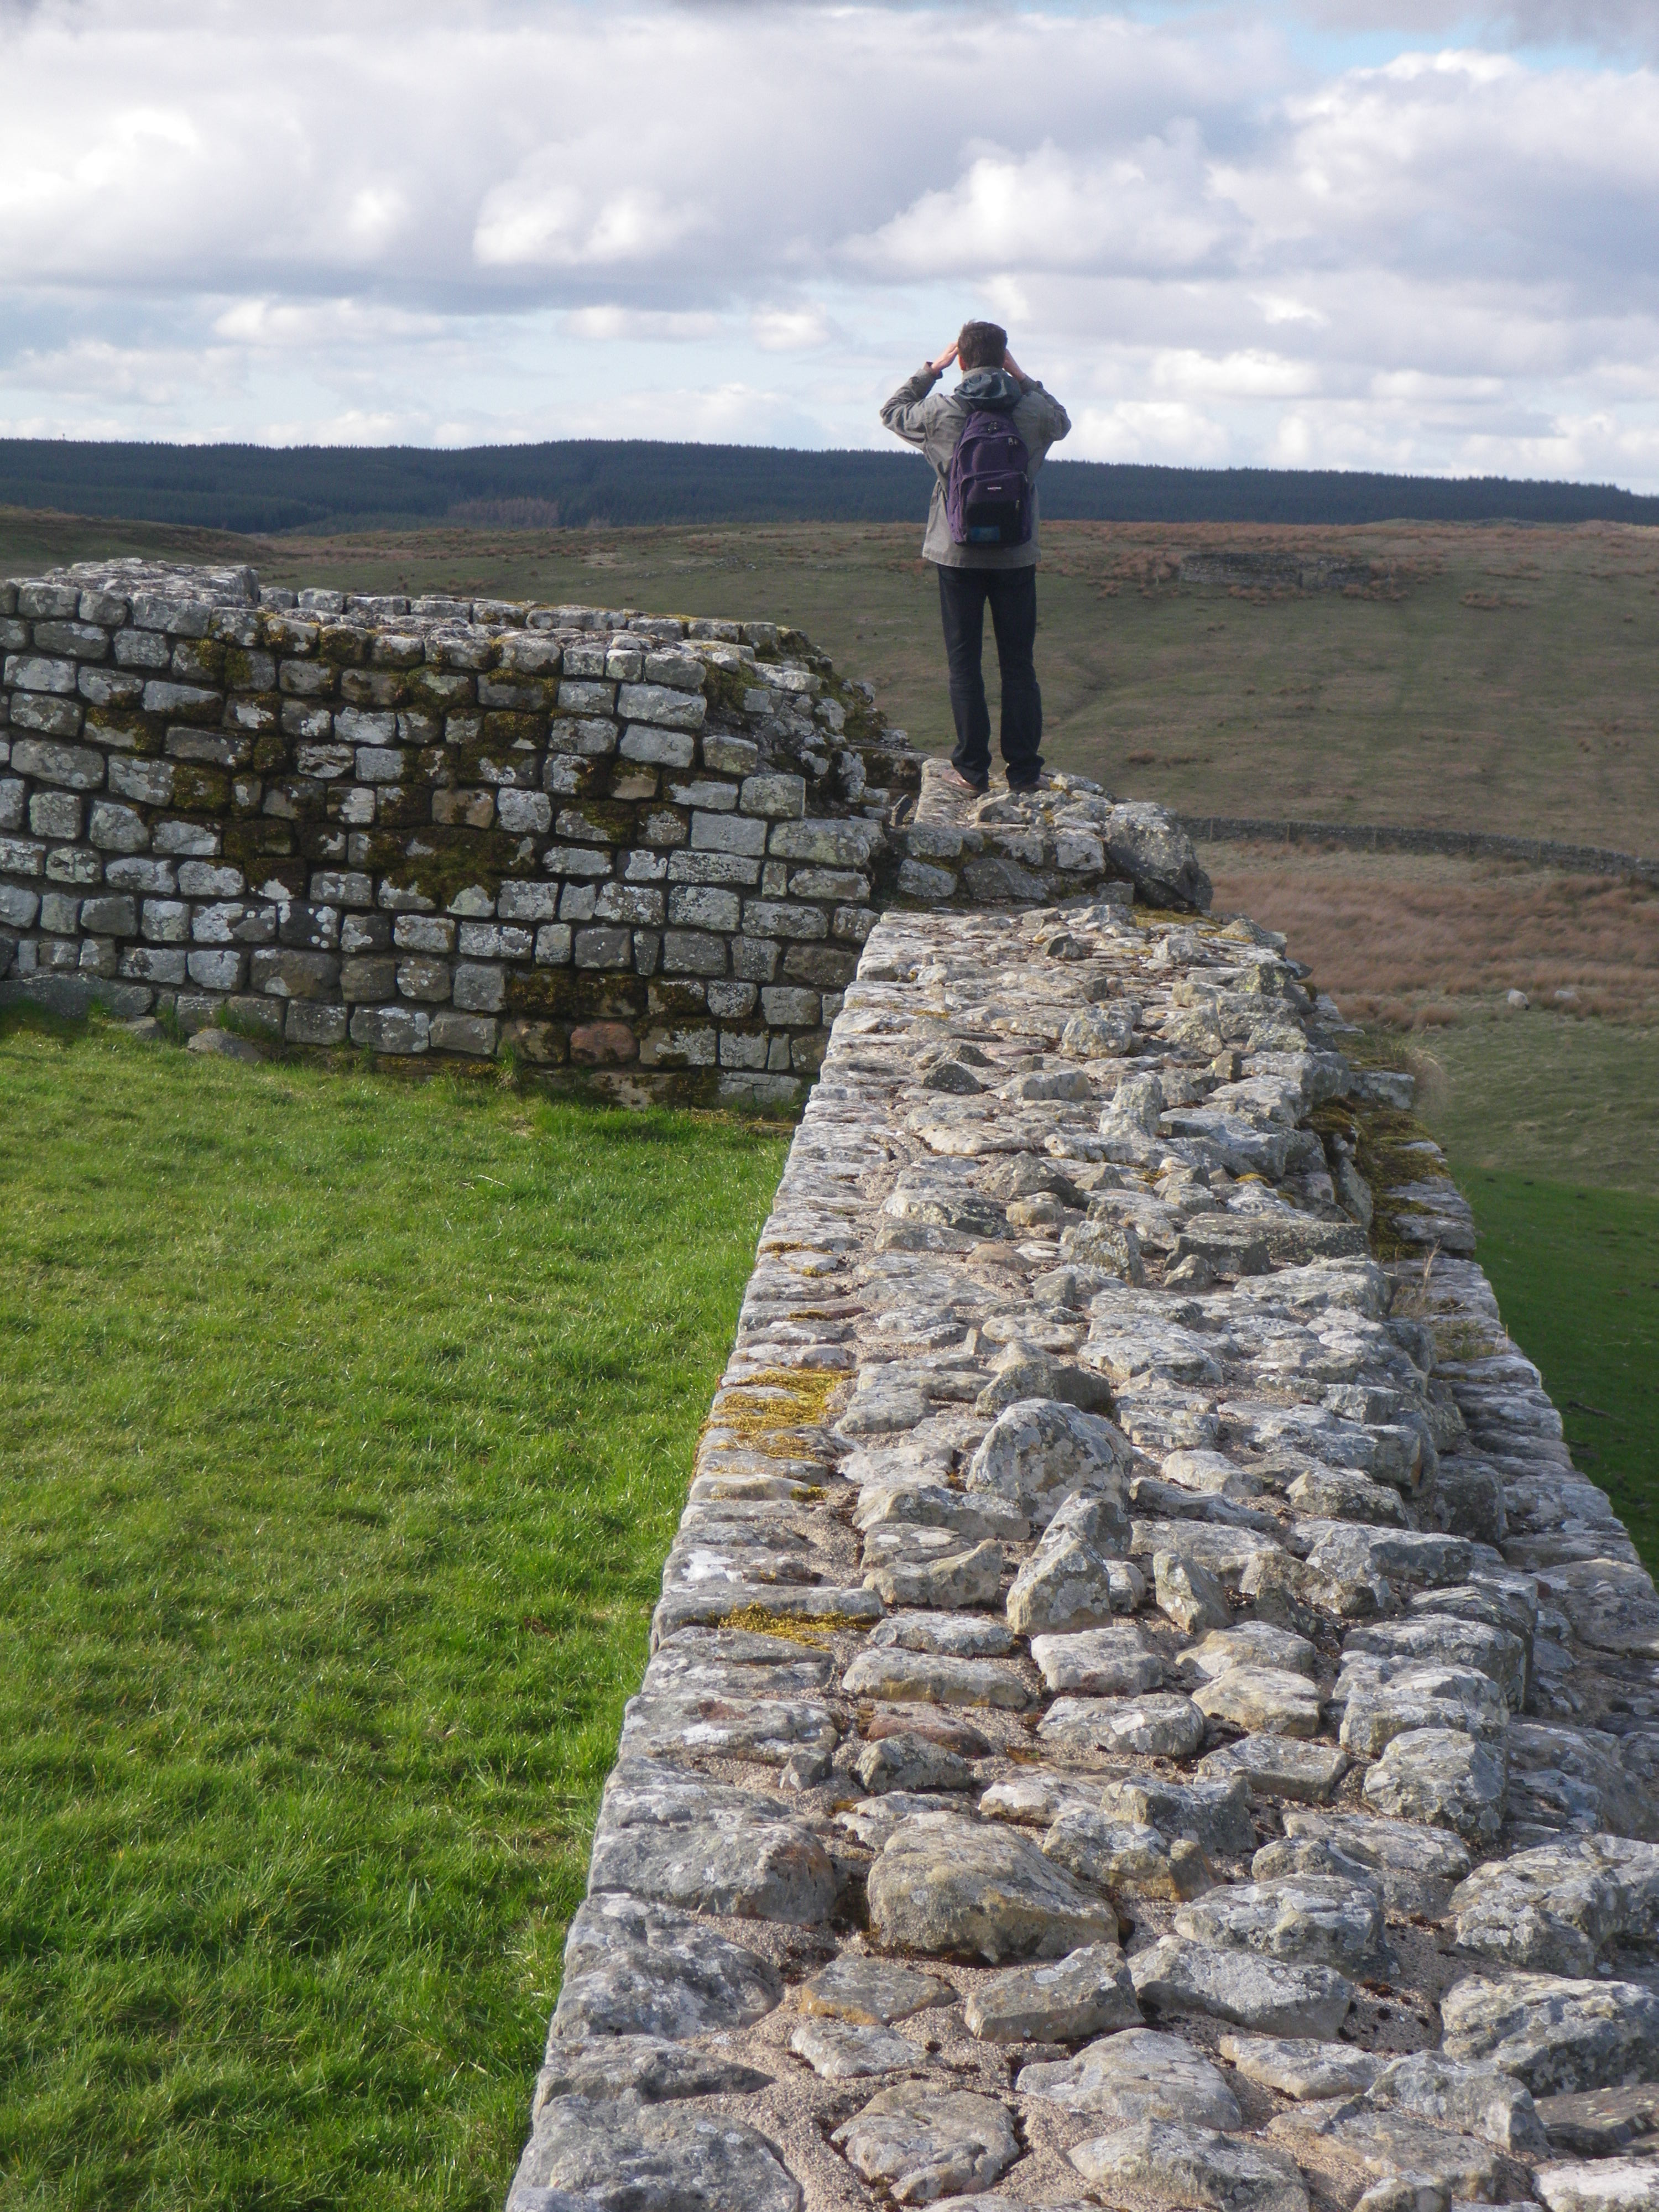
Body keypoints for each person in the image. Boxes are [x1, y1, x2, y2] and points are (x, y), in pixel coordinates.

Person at [880, 321, 1071, 795]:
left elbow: (891, 412)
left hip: (957, 553)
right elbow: (1062, 423)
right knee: (1018, 665)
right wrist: (1023, 378)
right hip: (1015, 555)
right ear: (1004, 357)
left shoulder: (940, 410)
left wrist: (930, 371)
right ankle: (1024, 773)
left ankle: (970, 771)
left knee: (965, 664)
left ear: (961, 360)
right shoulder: (1030, 411)